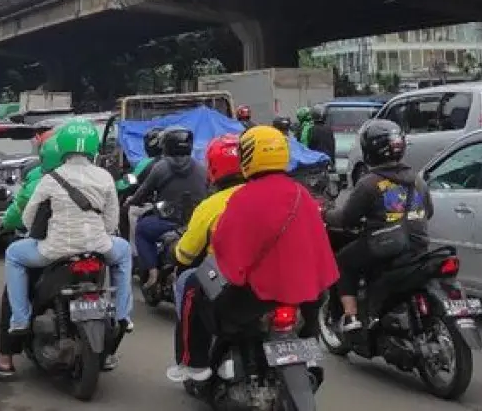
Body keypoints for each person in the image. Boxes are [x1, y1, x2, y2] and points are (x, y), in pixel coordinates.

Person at [171, 125, 337, 383]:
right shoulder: (301, 195)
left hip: (256, 296)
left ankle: (196, 365)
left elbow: (227, 251)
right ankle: (310, 353)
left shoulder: (242, 199)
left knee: (194, 285)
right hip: (307, 292)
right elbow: (320, 246)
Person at [0, 119, 132, 379]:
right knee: (125, 251)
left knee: (14, 254)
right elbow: (111, 222)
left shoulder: (51, 179)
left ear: (60, 148)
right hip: (98, 248)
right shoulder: (104, 176)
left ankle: (20, 319)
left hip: (53, 251)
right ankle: (124, 314)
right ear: (93, 148)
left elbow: (27, 220)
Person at [324, 119, 432, 332]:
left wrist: (325, 214)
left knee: (343, 262)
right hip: (419, 246)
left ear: (369, 150)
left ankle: (351, 316)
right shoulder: (418, 180)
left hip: (386, 247)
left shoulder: (369, 183)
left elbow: (347, 219)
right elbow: (428, 212)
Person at [168, 133, 244, 380]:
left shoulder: (211, 205)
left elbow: (185, 255)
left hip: (226, 277)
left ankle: (192, 360)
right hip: (282, 274)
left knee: (187, 282)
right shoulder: (281, 194)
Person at [128, 126, 208, 292]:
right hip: (195, 224)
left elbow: (143, 192)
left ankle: (152, 271)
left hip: (168, 222)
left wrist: (131, 201)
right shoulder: (202, 168)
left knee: (142, 230)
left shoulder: (160, 167)